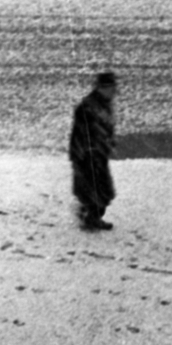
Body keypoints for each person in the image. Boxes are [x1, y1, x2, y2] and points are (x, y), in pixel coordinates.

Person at [69, 70, 117, 230]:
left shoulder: (103, 105)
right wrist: (88, 153)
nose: (114, 92)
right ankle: (90, 218)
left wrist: (109, 144)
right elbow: (82, 133)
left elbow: (106, 129)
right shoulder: (88, 107)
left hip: (98, 154)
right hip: (87, 154)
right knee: (93, 188)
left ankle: (90, 216)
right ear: (102, 88)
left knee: (103, 190)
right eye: (111, 88)